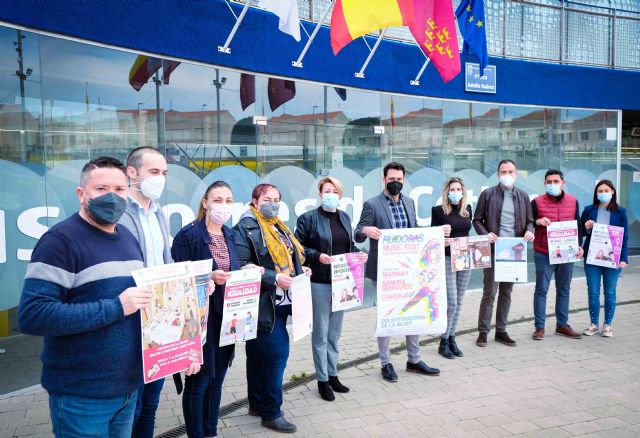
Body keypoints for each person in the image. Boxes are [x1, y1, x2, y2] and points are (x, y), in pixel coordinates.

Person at [18, 157, 152, 437]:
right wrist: (116, 307)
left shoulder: (127, 236)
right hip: (82, 395)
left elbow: (140, 301)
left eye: (119, 189)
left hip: (127, 390)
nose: (112, 197)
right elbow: (34, 316)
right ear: (82, 194)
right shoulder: (60, 241)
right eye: (101, 188)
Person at [234, 183, 311, 433]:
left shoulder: (278, 225)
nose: (273, 203)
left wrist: (300, 270)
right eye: (267, 199)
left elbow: (290, 256)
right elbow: (242, 265)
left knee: (258, 356)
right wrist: (274, 278)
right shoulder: (245, 227)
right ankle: (271, 412)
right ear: (254, 201)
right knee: (276, 354)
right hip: (261, 304)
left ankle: (257, 403)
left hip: (281, 301)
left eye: (277, 199)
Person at [355, 162, 440, 382]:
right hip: (385, 271)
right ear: (384, 180)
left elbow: (414, 232)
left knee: (413, 312)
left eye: (399, 180)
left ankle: (413, 360)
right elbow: (357, 233)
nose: (396, 183)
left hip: (410, 269)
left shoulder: (409, 203)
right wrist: (365, 230)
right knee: (388, 315)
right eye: (392, 179)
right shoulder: (372, 205)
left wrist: (437, 234)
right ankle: (386, 362)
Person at [171, 180, 241, 438]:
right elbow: (176, 282)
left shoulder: (229, 234)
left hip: (226, 318)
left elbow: (233, 268)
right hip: (199, 320)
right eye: (218, 200)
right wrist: (208, 278)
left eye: (228, 201)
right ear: (205, 203)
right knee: (198, 382)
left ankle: (210, 431)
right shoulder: (188, 236)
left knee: (217, 380)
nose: (223, 206)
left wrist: (244, 271)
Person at [118, 146, 175, 438]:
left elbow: (166, 262)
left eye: (164, 173)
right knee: (132, 407)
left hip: (159, 322)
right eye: (154, 172)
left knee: (150, 404)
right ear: (132, 173)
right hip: (130, 321)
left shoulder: (159, 213)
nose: (160, 179)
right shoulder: (118, 212)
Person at [295, 176, 367, 401]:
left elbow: (348, 246)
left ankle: (333, 374)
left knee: (334, 334)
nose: (330, 195)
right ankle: (322, 379)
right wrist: (318, 257)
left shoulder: (344, 217)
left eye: (334, 191)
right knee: (321, 334)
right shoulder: (308, 218)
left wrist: (359, 253)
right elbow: (298, 249)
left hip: (343, 283)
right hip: (319, 282)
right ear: (320, 194)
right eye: (327, 191)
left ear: (340, 195)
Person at [473, 159, 535, 348]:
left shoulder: (523, 196)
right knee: (489, 293)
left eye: (510, 171)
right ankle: (483, 332)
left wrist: (529, 231)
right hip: (494, 250)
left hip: (514, 251)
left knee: (506, 293)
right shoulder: (488, 194)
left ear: (516, 174)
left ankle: (501, 330)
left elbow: (530, 221)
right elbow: (477, 220)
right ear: (498, 174)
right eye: (503, 171)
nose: (507, 174)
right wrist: (486, 234)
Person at [531, 169, 584, 341]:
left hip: (566, 253)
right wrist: (538, 222)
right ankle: (539, 327)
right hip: (543, 252)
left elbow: (578, 225)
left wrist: (580, 245)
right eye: (549, 181)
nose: (552, 184)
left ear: (563, 183)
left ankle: (562, 324)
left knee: (564, 289)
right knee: (541, 290)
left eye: (555, 181)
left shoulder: (573, 201)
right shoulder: (537, 202)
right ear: (544, 183)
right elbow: (528, 224)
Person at [430, 176, 473, 359]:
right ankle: (443, 340)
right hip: (447, 259)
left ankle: (452, 337)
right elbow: (432, 236)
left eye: (458, 189)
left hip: (465, 258)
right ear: (446, 191)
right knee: (451, 302)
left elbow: (467, 232)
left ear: (463, 192)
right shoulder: (439, 211)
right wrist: (442, 238)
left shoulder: (467, 210)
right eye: (452, 189)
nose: (455, 193)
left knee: (460, 300)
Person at [581, 179, 629, 337]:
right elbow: (581, 231)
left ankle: (607, 325)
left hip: (612, 257)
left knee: (610, 292)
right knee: (593, 292)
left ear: (613, 192)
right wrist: (586, 227)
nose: (603, 193)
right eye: (600, 191)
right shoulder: (589, 209)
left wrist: (623, 258)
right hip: (592, 258)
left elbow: (625, 236)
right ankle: (593, 324)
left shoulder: (621, 212)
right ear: (596, 194)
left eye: (606, 190)